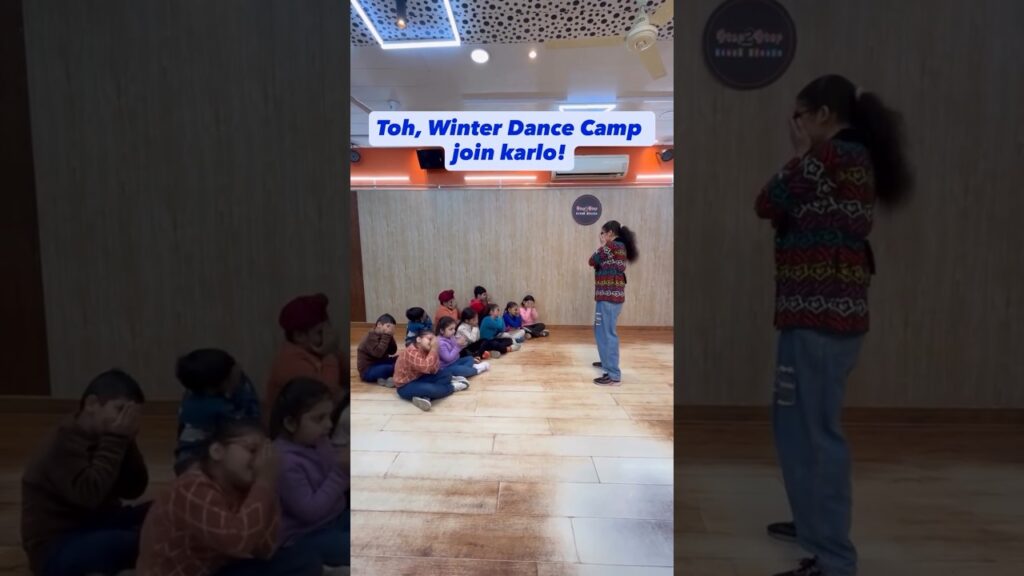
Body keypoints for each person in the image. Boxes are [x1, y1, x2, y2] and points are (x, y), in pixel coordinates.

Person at [755, 74, 911, 576]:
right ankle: (812, 526)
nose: (795, 125)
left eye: (798, 116)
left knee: (815, 433)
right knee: (795, 426)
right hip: (812, 314)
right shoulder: (843, 158)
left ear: (822, 114)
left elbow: (767, 200)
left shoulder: (834, 155)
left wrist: (801, 153)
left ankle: (834, 560)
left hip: (821, 317)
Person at [136, 419, 319, 576]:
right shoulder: (192, 486)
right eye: (252, 450)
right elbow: (237, 542)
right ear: (217, 451)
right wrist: (264, 482)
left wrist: (267, 486)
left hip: (214, 568)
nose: (259, 461)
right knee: (300, 562)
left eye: (264, 454)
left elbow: (265, 548)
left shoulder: (241, 486)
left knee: (303, 558)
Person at [21, 369, 149, 576]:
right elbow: (89, 495)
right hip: (57, 546)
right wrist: (117, 439)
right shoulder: (61, 443)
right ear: (91, 404)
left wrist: (128, 443)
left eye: (131, 414)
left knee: (165, 511)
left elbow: (134, 489)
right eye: (120, 409)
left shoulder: (109, 435)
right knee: (137, 541)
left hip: (100, 523)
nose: (125, 420)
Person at [269, 379, 350, 571]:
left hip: (335, 518)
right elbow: (309, 512)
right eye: (319, 419)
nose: (329, 425)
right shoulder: (283, 461)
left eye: (329, 416)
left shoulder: (318, 441)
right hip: (305, 535)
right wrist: (341, 473)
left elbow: (331, 478)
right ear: (290, 423)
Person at [265, 293, 347, 449]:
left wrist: (334, 351)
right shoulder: (290, 362)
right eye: (320, 333)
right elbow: (327, 394)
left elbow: (347, 377)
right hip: (295, 439)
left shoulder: (316, 352)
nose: (328, 337)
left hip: (320, 425)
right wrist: (330, 352)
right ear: (299, 336)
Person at [174, 349, 260, 475]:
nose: (239, 372)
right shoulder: (210, 408)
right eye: (233, 373)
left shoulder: (196, 393)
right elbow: (246, 428)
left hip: (204, 451)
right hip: (194, 459)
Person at [588, 220, 638, 386]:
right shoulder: (616, 247)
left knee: (608, 333)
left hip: (609, 298)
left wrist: (603, 245)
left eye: (602, 233)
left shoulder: (613, 246)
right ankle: (606, 362)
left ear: (609, 233)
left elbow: (592, 260)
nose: (601, 236)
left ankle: (613, 375)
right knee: (600, 330)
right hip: (605, 296)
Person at [393, 329, 470, 412]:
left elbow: (434, 370)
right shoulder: (411, 351)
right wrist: (433, 349)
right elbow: (426, 367)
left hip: (420, 377)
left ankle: (424, 397)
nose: (432, 343)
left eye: (434, 341)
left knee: (446, 374)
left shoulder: (427, 350)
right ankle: (452, 387)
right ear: (419, 339)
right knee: (432, 390)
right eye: (429, 339)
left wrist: (434, 351)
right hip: (405, 386)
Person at [357, 313, 399, 387]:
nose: (390, 329)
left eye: (392, 328)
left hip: (380, 363)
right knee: (390, 368)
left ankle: (384, 378)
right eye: (388, 326)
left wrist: (390, 337)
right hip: (368, 370)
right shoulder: (370, 336)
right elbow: (378, 354)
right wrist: (387, 336)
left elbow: (392, 351)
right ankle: (395, 377)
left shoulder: (385, 335)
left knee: (401, 358)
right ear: (379, 324)